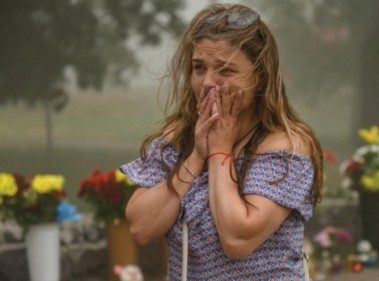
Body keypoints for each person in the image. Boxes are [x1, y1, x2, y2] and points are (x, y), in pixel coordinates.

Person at [121, 3, 323, 280]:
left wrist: (219, 152)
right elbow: (141, 228)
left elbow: (237, 238)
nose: (207, 83)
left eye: (225, 70)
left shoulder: (286, 147)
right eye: (199, 67)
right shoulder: (179, 138)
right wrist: (195, 156)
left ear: (259, 78)